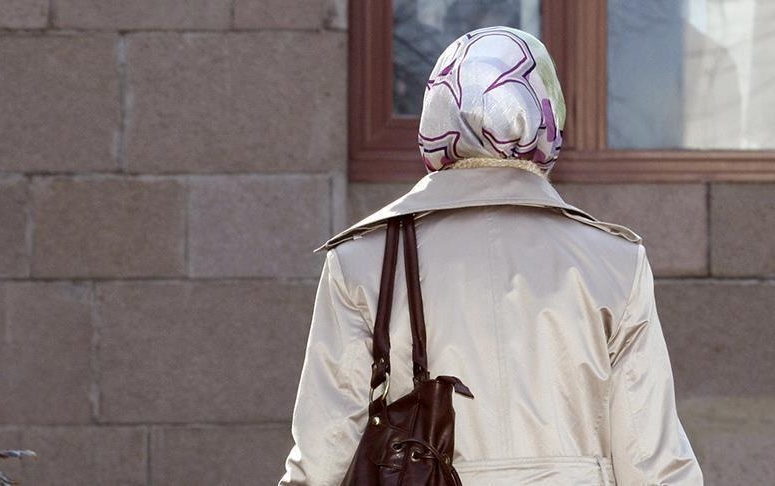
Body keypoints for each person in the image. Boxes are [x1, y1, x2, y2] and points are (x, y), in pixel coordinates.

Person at [280, 27, 703, 485]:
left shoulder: (364, 259)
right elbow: (651, 457)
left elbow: (324, 452)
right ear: (546, 114)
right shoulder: (613, 260)